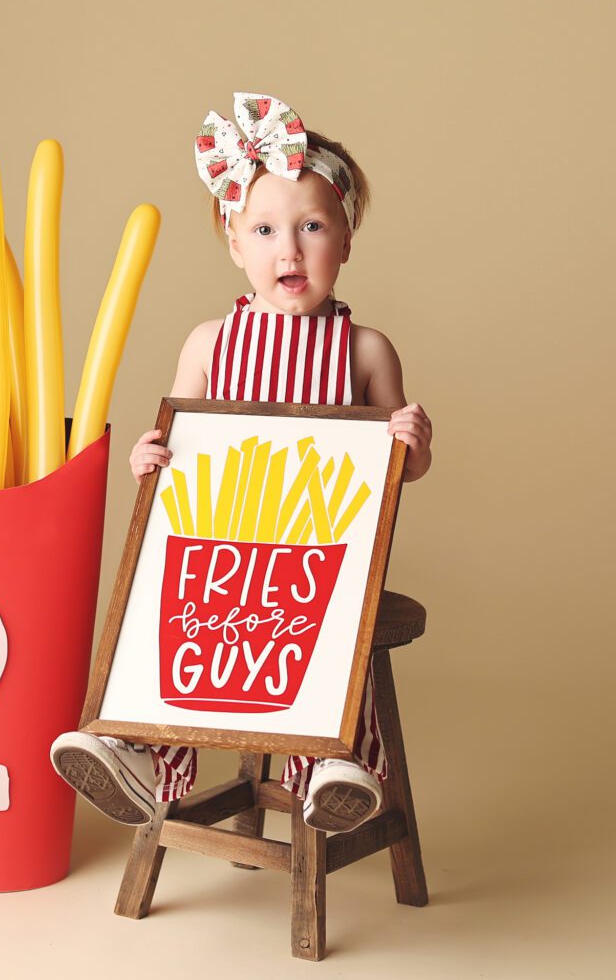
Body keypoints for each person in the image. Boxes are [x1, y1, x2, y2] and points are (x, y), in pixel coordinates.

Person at [50, 92, 432, 834]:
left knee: (325, 630)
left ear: (346, 241)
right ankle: (128, 746)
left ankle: (332, 767)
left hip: (317, 549)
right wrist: (148, 455)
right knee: (168, 615)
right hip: (220, 546)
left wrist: (413, 443)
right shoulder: (210, 342)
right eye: (264, 230)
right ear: (235, 244)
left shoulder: (365, 350)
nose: (287, 250)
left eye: (312, 227)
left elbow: (401, 473)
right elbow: (177, 436)